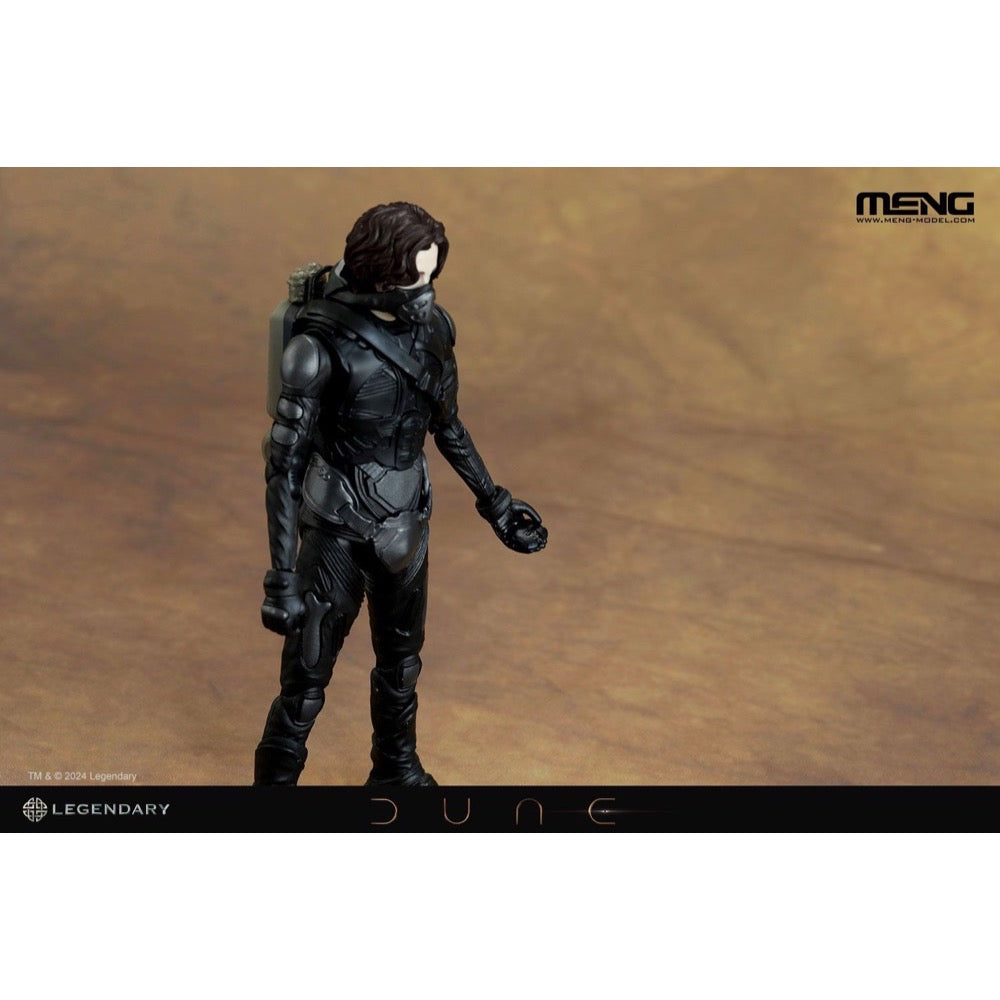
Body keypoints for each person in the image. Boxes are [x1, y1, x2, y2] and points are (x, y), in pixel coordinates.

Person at [254, 202, 547, 786]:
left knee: (402, 665)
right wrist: (281, 577)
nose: (424, 292)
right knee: (306, 678)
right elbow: (283, 468)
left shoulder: (435, 332)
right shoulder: (316, 348)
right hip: (336, 525)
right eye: (412, 278)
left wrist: (494, 502)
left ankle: (395, 768)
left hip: (408, 520)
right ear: (377, 273)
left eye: (431, 276)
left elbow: (447, 425)